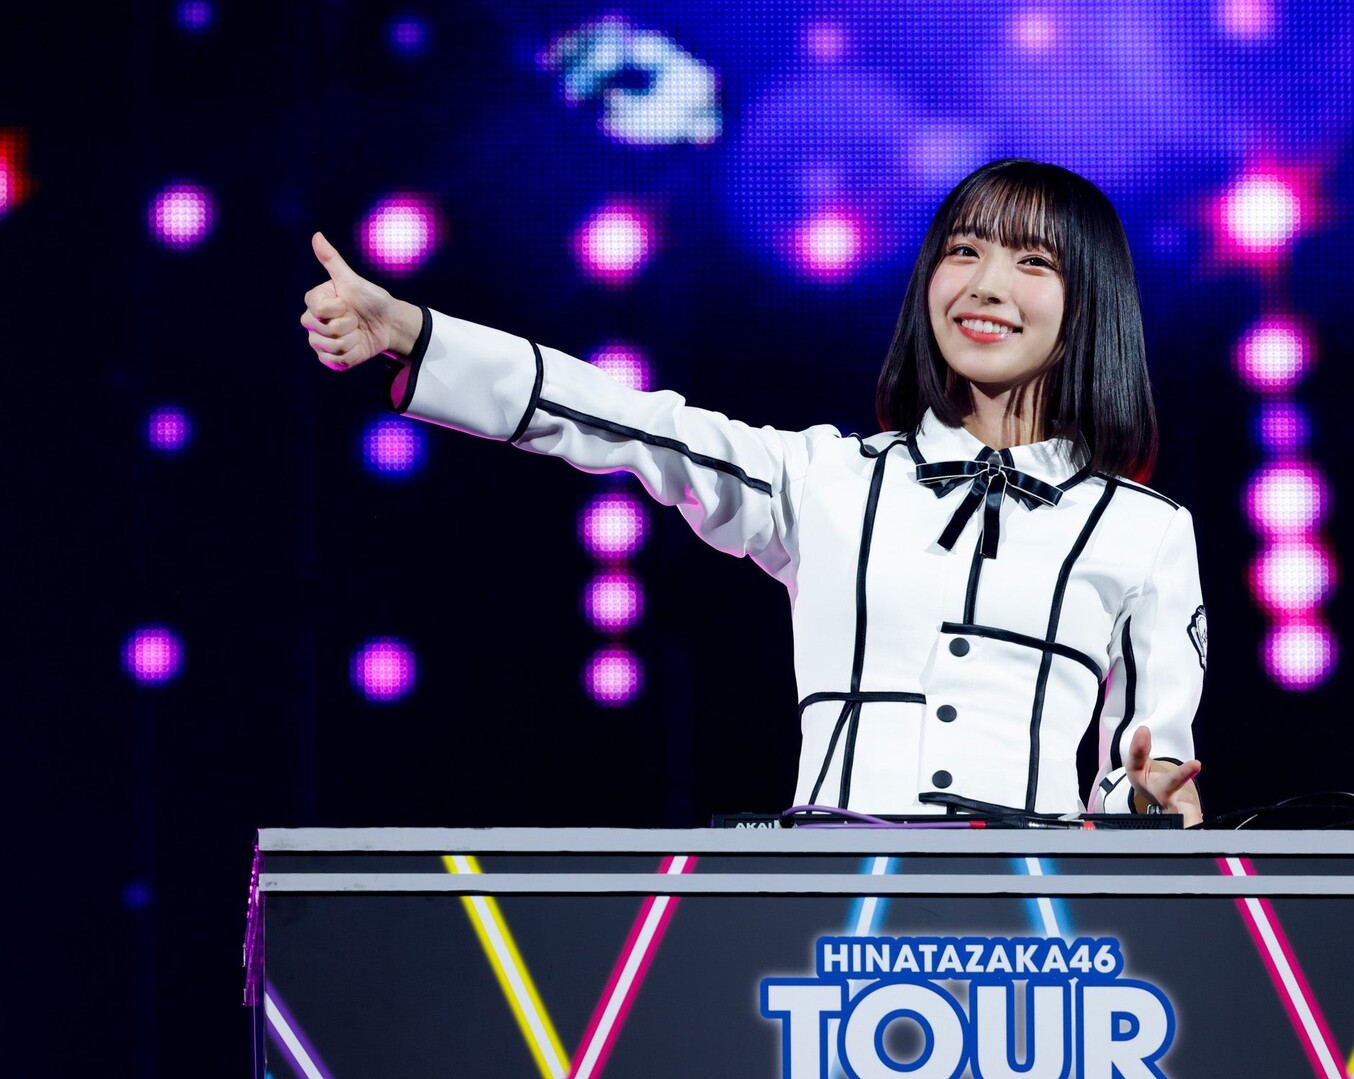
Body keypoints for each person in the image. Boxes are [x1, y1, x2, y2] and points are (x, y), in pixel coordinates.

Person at [300, 159, 1206, 825]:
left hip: (1038, 929)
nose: (983, 285)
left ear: (1088, 303)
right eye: (962, 251)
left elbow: (1146, 782)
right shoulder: (826, 480)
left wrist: (1148, 804)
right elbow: (627, 421)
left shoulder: (1146, 532)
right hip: (829, 909)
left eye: (1032, 263)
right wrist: (416, 332)